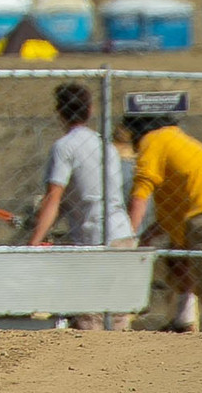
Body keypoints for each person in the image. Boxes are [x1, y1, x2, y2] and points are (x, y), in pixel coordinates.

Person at [124, 96, 202, 334]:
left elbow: (141, 191)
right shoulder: (177, 141)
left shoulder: (153, 140)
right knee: (177, 260)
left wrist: (129, 236)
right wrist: (147, 236)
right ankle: (183, 321)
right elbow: (173, 209)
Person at [27, 82, 135, 328]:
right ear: (91, 109)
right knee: (118, 319)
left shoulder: (64, 147)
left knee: (90, 321)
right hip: (122, 234)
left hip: (94, 239)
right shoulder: (105, 146)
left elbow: (54, 196)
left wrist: (34, 242)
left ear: (59, 112)